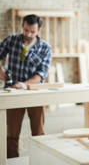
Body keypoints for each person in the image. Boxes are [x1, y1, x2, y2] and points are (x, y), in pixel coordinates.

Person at [0, 14, 52, 158]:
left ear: (39, 30)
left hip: (34, 93)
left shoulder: (45, 48)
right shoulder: (11, 40)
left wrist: (25, 84)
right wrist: (1, 72)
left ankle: (39, 160)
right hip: (12, 93)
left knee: (38, 133)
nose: (28, 34)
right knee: (11, 134)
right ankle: (11, 161)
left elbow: (41, 75)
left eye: (32, 32)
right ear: (22, 26)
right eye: (26, 30)